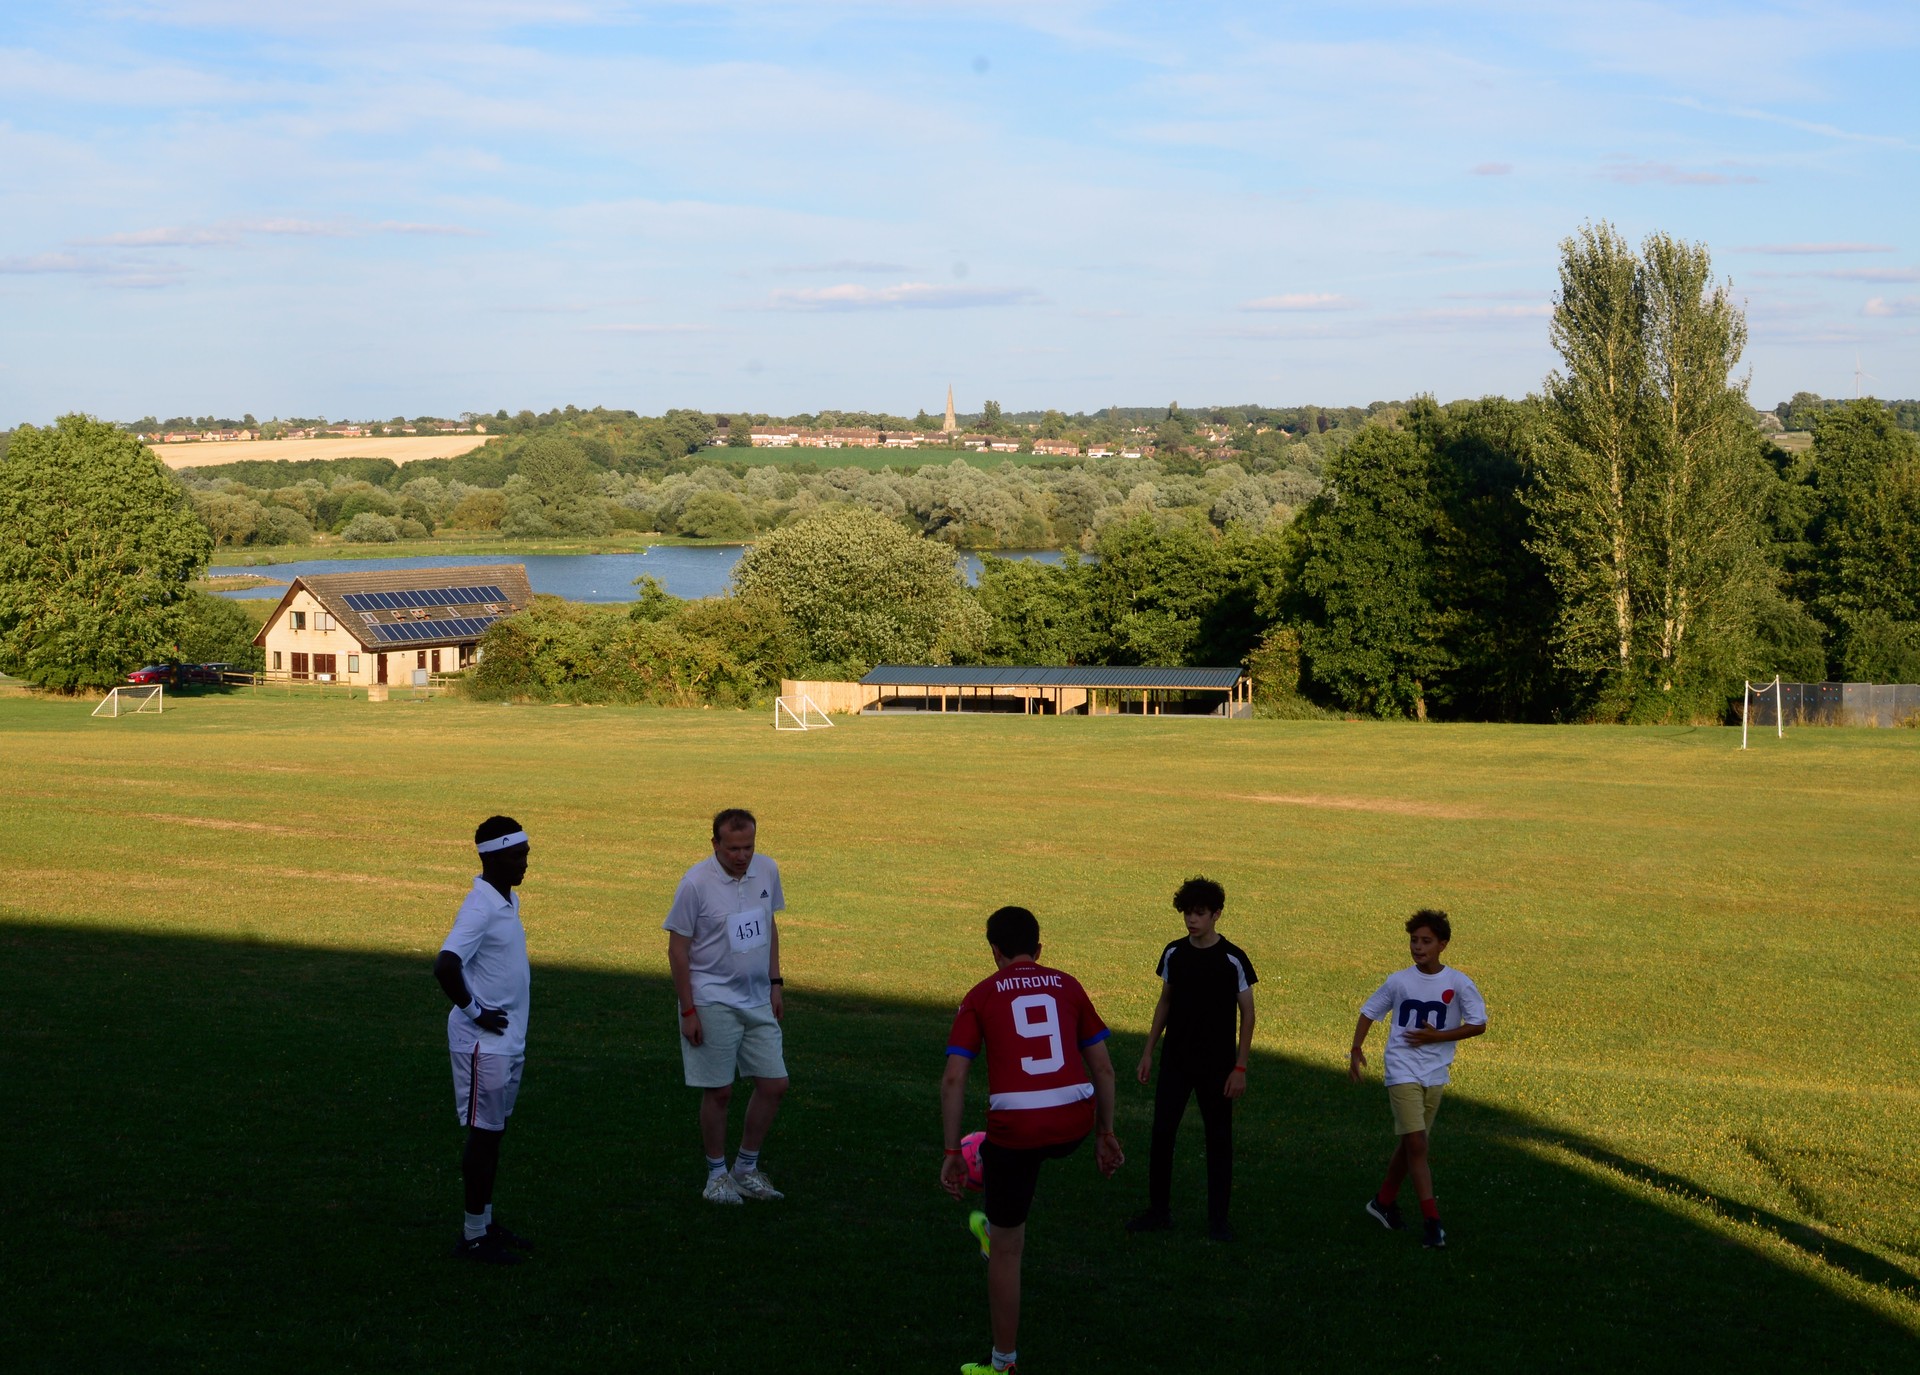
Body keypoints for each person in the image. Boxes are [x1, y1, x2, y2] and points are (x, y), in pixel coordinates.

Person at [941, 905, 1125, 1375]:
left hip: (1018, 1131)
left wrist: (948, 1153)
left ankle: (1003, 1364)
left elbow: (954, 1080)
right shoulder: (1067, 984)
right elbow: (1103, 1068)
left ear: (994, 951)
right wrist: (1105, 1133)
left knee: (1007, 1247)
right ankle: (992, 1207)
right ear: (1039, 949)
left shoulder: (981, 994)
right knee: (1022, 1154)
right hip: (1074, 1123)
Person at [665, 807, 788, 1204]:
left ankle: (746, 1168)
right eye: (733, 848)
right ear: (715, 843)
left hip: (757, 999)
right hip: (712, 997)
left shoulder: (767, 871)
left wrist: (775, 984)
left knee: (775, 1083)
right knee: (719, 1091)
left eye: (748, 846)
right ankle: (716, 1176)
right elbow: (678, 951)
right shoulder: (695, 884)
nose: (742, 855)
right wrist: (688, 1010)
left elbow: (769, 926)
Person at [1348, 909, 1487, 1249]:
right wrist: (1356, 1048)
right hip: (1402, 1069)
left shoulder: (1458, 983)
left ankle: (1382, 1202)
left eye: (1426, 941)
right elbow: (1369, 1011)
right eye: (1414, 940)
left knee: (1411, 1144)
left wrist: (1437, 1038)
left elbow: (1479, 1023)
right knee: (1419, 1145)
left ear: (1443, 945)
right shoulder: (1400, 981)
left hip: (1436, 1072)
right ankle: (1432, 1223)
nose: (1418, 947)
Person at [1129, 875, 1256, 1242]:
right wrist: (1149, 1051)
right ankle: (1158, 1211)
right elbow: (1165, 1002)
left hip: (1217, 1066)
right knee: (1162, 1133)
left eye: (1199, 913)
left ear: (1217, 914)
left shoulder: (1233, 959)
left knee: (1218, 1139)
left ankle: (1218, 1221)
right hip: (1176, 1061)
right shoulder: (1174, 953)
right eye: (1187, 912)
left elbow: (1248, 1014)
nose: (1191, 920)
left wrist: (1240, 1067)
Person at [433, 815, 535, 1265]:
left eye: (526, 854)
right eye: (517, 856)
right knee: (483, 1135)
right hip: (482, 1044)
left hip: (505, 1041)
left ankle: (486, 1222)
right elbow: (446, 965)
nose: (525, 863)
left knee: (494, 1133)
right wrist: (476, 1012)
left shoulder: (505, 899)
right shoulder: (479, 907)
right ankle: (473, 1236)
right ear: (491, 857)